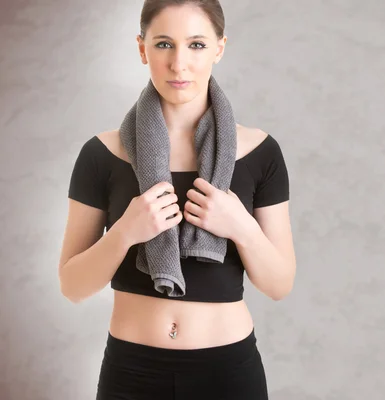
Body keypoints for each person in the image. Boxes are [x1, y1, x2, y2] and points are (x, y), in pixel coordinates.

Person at [57, 0, 296, 398]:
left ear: (219, 48)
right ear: (141, 48)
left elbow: (279, 285)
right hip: (130, 372)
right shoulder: (102, 154)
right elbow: (72, 286)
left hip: (228, 372)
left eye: (197, 45)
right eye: (164, 44)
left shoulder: (260, 152)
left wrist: (240, 227)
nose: (179, 64)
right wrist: (124, 233)